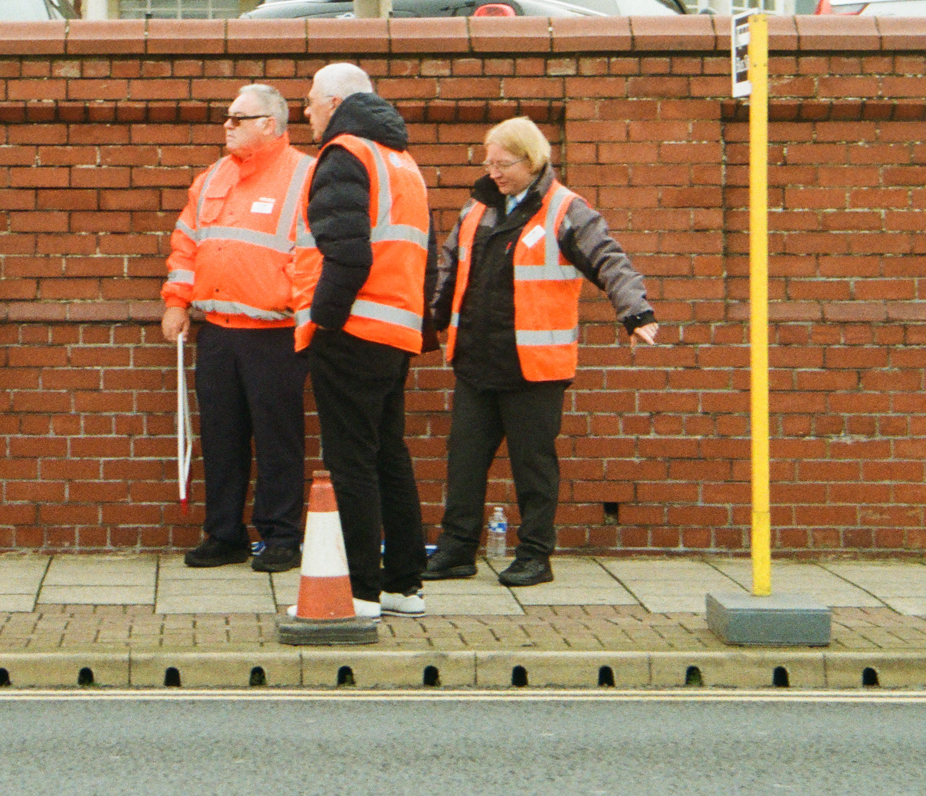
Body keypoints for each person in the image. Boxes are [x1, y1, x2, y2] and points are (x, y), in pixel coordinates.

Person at [423, 115, 661, 588]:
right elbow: (449, 268)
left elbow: (609, 259)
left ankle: (535, 554)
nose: (493, 171)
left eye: (503, 163)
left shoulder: (566, 209)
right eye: (488, 162)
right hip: (476, 360)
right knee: (464, 460)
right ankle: (456, 550)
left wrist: (635, 313)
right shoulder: (477, 208)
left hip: (534, 368)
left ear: (532, 162)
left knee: (533, 465)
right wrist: (427, 324)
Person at [291, 62, 432, 620]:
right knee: (390, 456)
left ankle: (361, 591)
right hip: (396, 330)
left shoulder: (345, 154)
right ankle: (404, 585)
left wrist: (323, 320)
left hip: (351, 329)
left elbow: (347, 253)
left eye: (308, 102)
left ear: (333, 102)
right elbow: (420, 257)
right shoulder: (403, 162)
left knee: (351, 462)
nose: (305, 112)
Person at [163, 83, 315, 574]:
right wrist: (176, 301)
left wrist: (294, 305)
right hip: (218, 332)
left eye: (237, 117)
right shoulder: (212, 178)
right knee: (222, 437)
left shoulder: (304, 176)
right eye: (227, 117)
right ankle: (224, 533)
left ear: (270, 125)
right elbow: (186, 245)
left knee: (277, 439)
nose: (226, 125)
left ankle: (281, 536)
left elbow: (315, 254)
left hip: (275, 332)